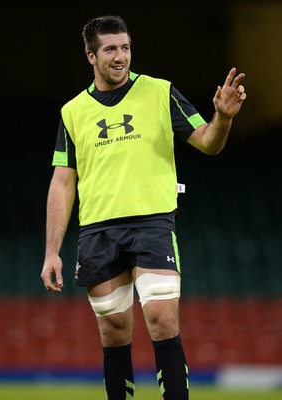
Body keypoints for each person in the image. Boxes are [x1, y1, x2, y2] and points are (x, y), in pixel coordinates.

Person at [41, 14, 246, 400]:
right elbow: (62, 182)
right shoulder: (72, 112)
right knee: (114, 331)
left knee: (161, 318)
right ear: (91, 56)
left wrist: (222, 117)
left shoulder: (160, 92)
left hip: (152, 223)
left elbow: (208, 142)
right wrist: (52, 251)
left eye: (125, 48)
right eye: (110, 49)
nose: (120, 57)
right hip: (98, 231)